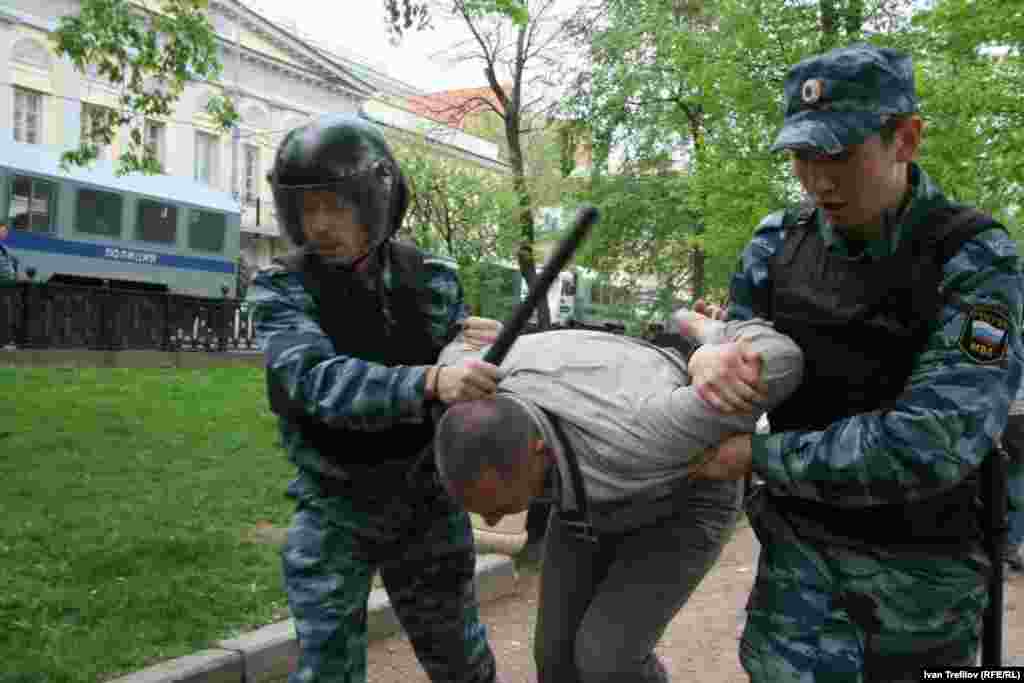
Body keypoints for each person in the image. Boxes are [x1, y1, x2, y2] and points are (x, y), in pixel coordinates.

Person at [689, 43, 1024, 681]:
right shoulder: (776, 243)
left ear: (907, 139)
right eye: (801, 157)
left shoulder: (974, 256)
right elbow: (733, 350)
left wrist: (758, 458)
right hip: (797, 584)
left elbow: (932, 443)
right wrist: (707, 357)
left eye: (840, 155)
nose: (818, 180)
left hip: (919, 594)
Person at [248, 113, 508, 683]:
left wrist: (476, 359)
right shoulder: (281, 289)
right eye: (307, 208)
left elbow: (462, 391)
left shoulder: (432, 279)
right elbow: (315, 381)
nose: (320, 225)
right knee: (327, 671)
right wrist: (429, 381)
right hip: (334, 506)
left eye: (335, 205)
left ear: (377, 202)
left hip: (427, 506)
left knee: (462, 664)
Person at [433, 311, 804, 683]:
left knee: (608, 660)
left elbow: (782, 359)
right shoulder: (479, 379)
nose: (495, 521)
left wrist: (711, 339)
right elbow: (458, 347)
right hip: (591, 495)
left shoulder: (648, 428)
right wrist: (453, 356)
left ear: (538, 450)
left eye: (497, 507)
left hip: (689, 494)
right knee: (555, 658)